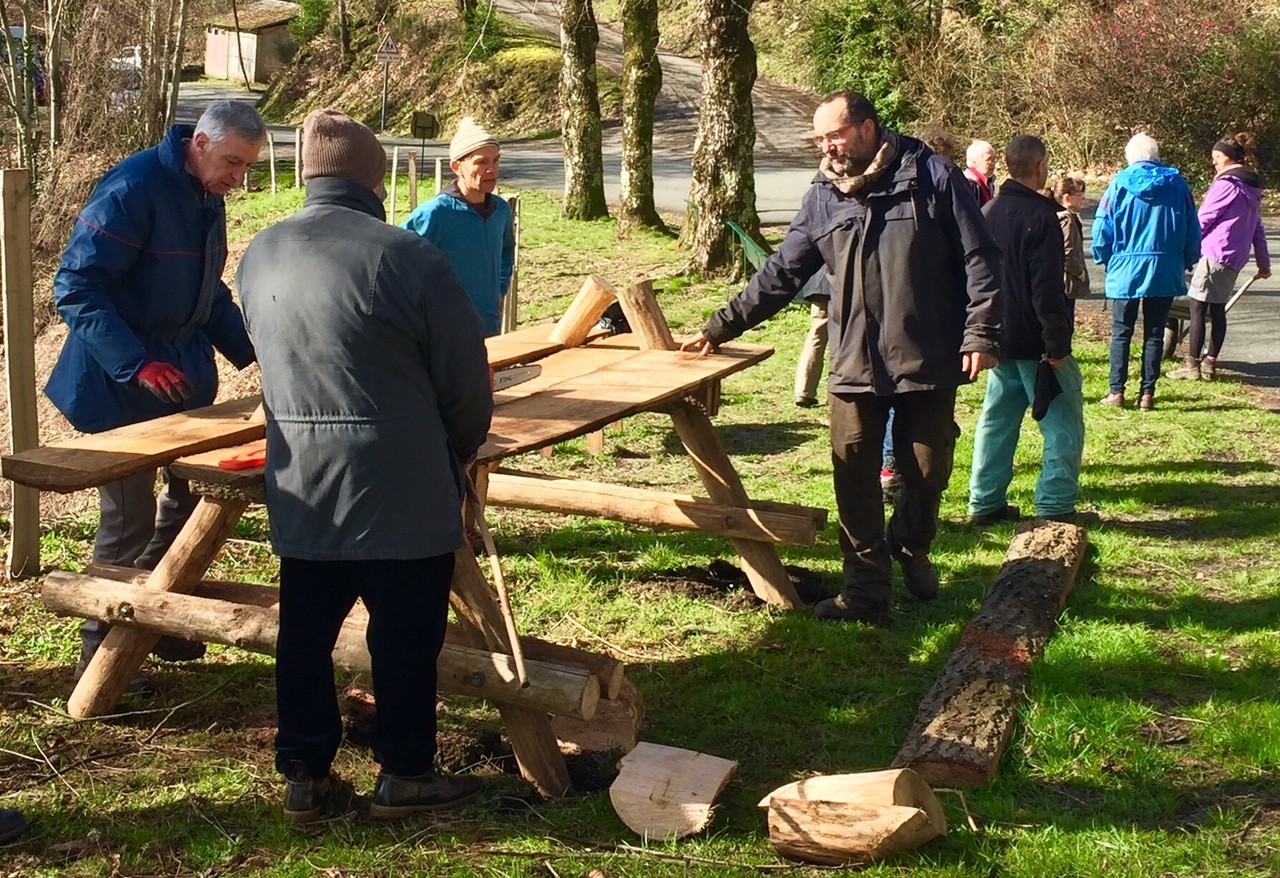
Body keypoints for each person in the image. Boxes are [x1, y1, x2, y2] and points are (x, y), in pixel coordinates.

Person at [238, 108, 492, 823]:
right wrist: (462, 449)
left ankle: (305, 775)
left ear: (309, 175)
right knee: (405, 638)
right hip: (400, 486)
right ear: (375, 180)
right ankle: (406, 772)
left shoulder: (259, 253)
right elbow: (465, 378)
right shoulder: (406, 256)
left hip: (302, 484)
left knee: (306, 636)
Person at [682, 90, 1001, 624]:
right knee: (852, 474)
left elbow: (980, 258)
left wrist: (981, 333)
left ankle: (910, 543)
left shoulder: (932, 177)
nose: (826, 147)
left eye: (834, 134)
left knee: (927, 470)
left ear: (868, 128)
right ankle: (866, 591)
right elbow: (782, 271)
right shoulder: (823, 196)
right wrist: (721, 325)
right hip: (854, 360)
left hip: (926, 354)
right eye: (820, 138)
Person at [47, 100, 264, 690]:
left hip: (181, 381)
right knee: (129, 518)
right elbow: (75, 285)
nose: (237, 179)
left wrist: (260, 352)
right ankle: (98, 652)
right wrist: (134, 361)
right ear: (199, 143)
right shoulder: (133, 187)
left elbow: (206, 292)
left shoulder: (205, 193)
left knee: (193, 500)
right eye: (232, 164)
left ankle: (153, 618)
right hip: (116, 384)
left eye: (246, 169)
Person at [968, 136, 1084, 524]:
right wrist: (1056, 344)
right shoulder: (1042, 218)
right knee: (1062, 421)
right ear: (1039, 168)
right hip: (1036, 342)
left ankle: (984, 501)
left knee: (997, 420)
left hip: (1000, 337)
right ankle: (1055, 505)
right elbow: (1045, 288)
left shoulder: (988, 211)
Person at [1092, 133, 1201, 411]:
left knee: (1121, 332)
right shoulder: (1178, 185)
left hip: (1126, 267)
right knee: (1155, 332)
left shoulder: (1118, 184)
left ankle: (1116, 391)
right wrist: (1188, 258)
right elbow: (1192, 226)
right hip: (1164, 268)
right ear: (1156, 155)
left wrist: (1103, 256)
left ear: (1131, 157)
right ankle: (1147, 393)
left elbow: (1103, 224)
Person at [1167, 132, 1270, 382]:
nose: (1213, 162)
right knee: (1217, 308)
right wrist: (1263, 260)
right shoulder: (1251, 186)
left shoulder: (1227, 184)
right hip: (1234, 256)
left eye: (1217, 157)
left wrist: (1184, 246)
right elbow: (1256, 226)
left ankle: (1192, 364)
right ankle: (1210, 362)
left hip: (1215, 252)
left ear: (1228, 158)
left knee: (1197, 306)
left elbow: (1204, 218)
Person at [400, 116, 514, 337]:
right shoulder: (436, 213)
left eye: (496, 160)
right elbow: (395, 259)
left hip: (489, 327)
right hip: (444, 333)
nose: (491, 169)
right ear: (457, 167)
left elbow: (507, 251)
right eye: (481, 162)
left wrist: (499, 290)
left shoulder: (501, 211)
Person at [1053, 176, 1091, 307]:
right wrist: (1080, 273)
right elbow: (1067, 254)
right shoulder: (1066, 220)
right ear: (1067, 198)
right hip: (1066, 284)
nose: (1083, 198)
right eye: (1079, 194)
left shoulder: (1056, 215)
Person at [964, 139, 997, 207]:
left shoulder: (988, 182)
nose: (993, 163)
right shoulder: (969, 184)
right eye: (988, 159)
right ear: (975, 161)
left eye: (994, 159)